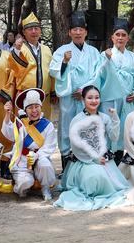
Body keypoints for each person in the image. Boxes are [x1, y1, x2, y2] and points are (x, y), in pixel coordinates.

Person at [50, 11, 123, 157]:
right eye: (75, 30)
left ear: (86, 32)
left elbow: (99, 73)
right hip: (69, 97)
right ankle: (66, 157)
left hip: (87, 99)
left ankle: (89, 157)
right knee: (67, 126)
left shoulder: (93, 52)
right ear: (69, 32)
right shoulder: (61, 51)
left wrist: (84, 91)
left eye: (81, 30)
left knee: (89, 128)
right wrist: (64, 62)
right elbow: (53, 71)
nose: (78, 33)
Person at [53, 86, 133, 210]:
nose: (94, 101)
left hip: (103, 159)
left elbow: (114, 137)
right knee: (94, 178)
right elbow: (76, 146)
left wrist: (115, 119)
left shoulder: (104, 118)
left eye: (97, 97)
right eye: (90, 98)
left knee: (110, 182)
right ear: (83, 99)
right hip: (84, 160)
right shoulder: (77, 120)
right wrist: (94, 159)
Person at [3, 88, 61, 202]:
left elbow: (49, 146)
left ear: (41, 107)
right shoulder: (20, 123)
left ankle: (45, 188)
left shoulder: (48, 125)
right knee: (24, 184)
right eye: (30, 107)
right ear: (25, 109)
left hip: (40, 156)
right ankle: (23, 186)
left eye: (36, 106)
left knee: (45, 165)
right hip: (22, 159)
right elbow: (9, 134)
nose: (34, 110)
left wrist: (37, 155)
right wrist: (7, 115)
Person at [100, 18, 134, 158]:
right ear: (112, 37)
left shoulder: (133, 57)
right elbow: (99, 76)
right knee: (109, 128)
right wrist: (107, 59)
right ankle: (107, 159)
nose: (120, 38)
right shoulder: (104, 55)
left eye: (123, 35)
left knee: (124, 130)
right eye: (117, 35)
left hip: (127, 101)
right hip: (110, 100)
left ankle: (120, 159)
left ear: (128, 38)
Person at [8, 13, 56, 119]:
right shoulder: (19, 49)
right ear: (24, 32)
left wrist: (53, 91)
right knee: (26, 126)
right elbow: (14, 70)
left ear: (40, 31)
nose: (34, 31)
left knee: (44, 125)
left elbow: (51, 71)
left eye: (36, 28)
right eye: (30, 29)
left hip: (44, 98)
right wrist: (17, 50)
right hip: (25, 97)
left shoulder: (46, 49)